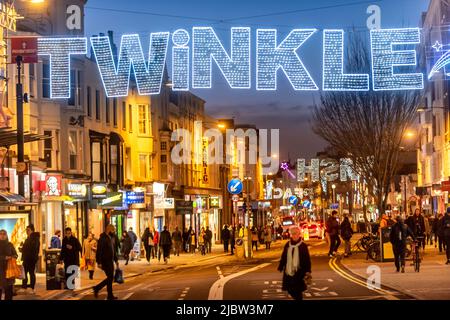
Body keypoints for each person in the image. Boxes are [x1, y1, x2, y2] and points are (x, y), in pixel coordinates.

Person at [278, 226, 312, 301]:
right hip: (288, 271)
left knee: (297, 290)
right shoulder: (288, 244)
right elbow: (284, 256)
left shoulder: (303, 246)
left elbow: (307, 259)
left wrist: (308, 271)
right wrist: (281, 265)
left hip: (299, 271)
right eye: (292, 233)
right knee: (290, 290)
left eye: (296, 233)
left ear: (299, 234)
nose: (294, 235)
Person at [93, 225, 119, 300]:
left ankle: (109, 295)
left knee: (110, 278)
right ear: (108, 230)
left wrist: (116, 260)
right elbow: (99, 251)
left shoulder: (110, 237)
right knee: (111, 277)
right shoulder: (103, 238)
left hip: (110, 261)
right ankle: (97, 288)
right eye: (113, 230)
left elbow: (113, 250)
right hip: (105, 261)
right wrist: (99, 262)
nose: (114, 232)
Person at [21, 224, 40, 294]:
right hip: (26, 258)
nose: (27, 231)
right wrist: (22, 249)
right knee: (24, 273)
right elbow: (26, 248)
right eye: (26, 230)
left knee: (31, 273)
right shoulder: (28, 238)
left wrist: (24, 249)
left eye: (28, 230)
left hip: (31, 259)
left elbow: (33, 249)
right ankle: (24, 287)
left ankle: (32, 288)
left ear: (32, 230)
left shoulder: (35, 239)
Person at [0, 230, 18, 300]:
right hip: (0, 270)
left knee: (9, 290)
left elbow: (15, 254)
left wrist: (14, 257)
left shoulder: (10, 244)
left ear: (7, 235)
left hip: (9, 269)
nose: (2, 235)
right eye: (1, 234)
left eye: (4, 234)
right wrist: (4, 257)